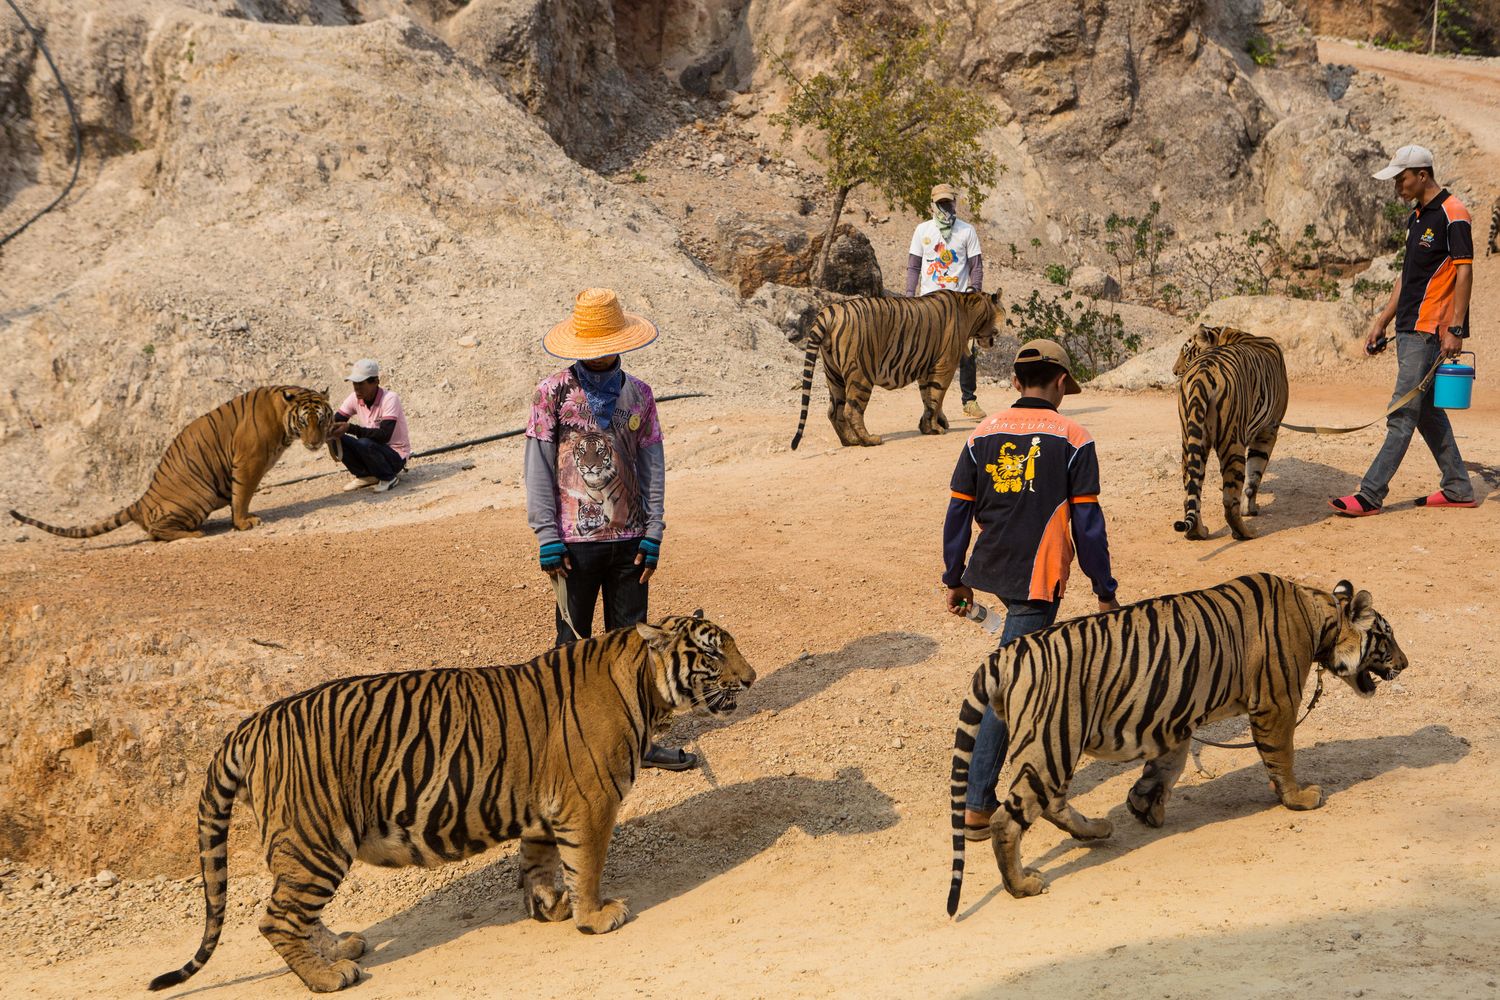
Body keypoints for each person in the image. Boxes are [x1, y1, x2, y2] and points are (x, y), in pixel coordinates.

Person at [941, 339, 1121, 838]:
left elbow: (959, 509)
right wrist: (1104, 590)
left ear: (1016, 382)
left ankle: (992, 791)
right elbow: (1088, 525)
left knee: (1013, 678)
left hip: (992, 566)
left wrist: (954, 577)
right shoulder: (1075, 438)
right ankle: (976, 805)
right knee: (1009, 688)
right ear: (1062, 382)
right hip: (1037, 577)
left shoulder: (982, 432)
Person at [524, 287, 697, 771]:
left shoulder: (639, 394)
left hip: (629, 543)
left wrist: (654, 530)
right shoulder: (552, 393)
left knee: (630, 649)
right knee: (571, 649)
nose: (600, 353)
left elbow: (652, 464)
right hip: (572, 546)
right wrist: (546, 536)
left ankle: (635, 743)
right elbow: (537, 467)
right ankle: (564, 746)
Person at [1330, 144, 1476, 516]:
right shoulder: (1416, 217)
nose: (1397, 184)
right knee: (1426, 411)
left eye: (1402, 177)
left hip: (1432, 329)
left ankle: (1370, 494)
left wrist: (1456, 327)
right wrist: (1382, 320)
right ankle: (1458, 486)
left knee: (1402, 412)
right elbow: (1407, 277)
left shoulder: (1453, 212)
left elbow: (1464, 270)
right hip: (1409, 327)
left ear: (1422, 175)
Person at [908, 182, 987, 419]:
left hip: (959, 303)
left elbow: (976, 266)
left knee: (967, 352)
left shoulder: (967, 231)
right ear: (932, 204)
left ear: (955, 202)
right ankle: (930, 404)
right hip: (929, 304)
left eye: (948, 202)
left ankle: (969, 400)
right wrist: (910, 296)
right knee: (927, 354)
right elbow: (913, 266)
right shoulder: (922, 230)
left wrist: (974, 292)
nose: (945, 207)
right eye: (940, 203)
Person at [328, 358, 410, 493]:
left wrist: (350, 428)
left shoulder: (390, 398)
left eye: (361, 383)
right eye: (355, 383)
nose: (356, 388)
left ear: (376, 382)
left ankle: (389, 477)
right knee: (335, 437)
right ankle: (365, 476)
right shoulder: (355, 397)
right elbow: (336, 421)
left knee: (364, 442)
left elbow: (384, 436)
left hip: (395, 456)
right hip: (372, 452)